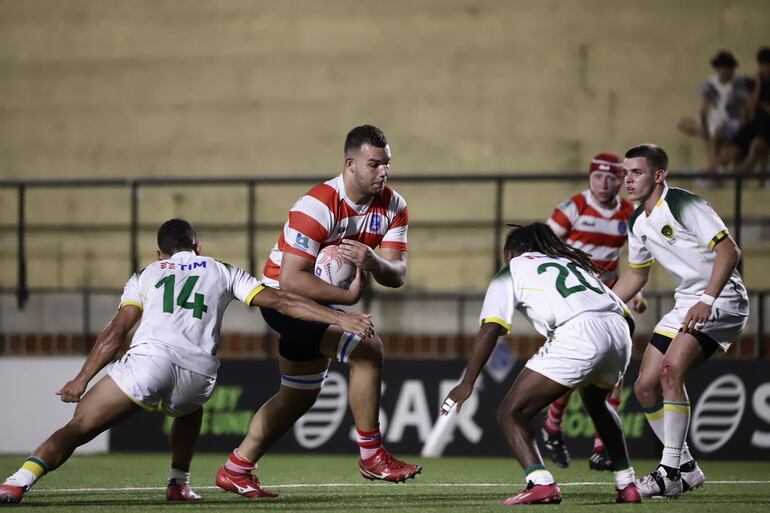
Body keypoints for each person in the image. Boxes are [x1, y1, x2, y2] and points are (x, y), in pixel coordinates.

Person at [0, 219, 374, 505]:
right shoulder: (221, 269)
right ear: (198, 246)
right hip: (198, 377)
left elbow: (118, 330)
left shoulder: (146, 274)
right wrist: (340, 317)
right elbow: (282, 301)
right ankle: (179, 482)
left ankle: (18, 481)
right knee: (187, 409)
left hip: (150, 364)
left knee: (80, 426)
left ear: (159, 254)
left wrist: (82, 379)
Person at [215, 125, 420, 499]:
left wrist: (374, 263)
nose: (383, 172)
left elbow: (398, 274)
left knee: (298, 396)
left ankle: (237, 468)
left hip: (319, 303)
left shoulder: (394, 206)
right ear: (350, 164)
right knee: (368, 350)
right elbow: (292, 280)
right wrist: (346, 301)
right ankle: (372, 456)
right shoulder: (318, 205)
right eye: (374, 164)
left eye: (387, 164)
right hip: (283, 301)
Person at [441, 223, 641, 505]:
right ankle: (627, 484)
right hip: (620, 330)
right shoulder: (573, 265)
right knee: (598, 403)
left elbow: (491, 328)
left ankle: (541, 483)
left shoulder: (511, 270)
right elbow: (627, 316)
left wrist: (467, 383)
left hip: (578, 333)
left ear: (509, 252)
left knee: (511, 412)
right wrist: (612, 355)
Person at [613, 144, 749, 498]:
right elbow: (636, 276)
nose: (627, 179)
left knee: (670, 371)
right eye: (626, 172)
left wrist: (707, 299)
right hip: (687, 302)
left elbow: (730, 251)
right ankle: (686, 467)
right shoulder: (637, 222)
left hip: (721, 300)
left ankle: (668, 471)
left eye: (637, 172)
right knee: (644, 387)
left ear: (659, 175)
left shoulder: (685, 204)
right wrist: (599, 305)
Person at [542, 153, 647, 472]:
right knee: (576, 367)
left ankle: (601, 447)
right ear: (589, 178)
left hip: (607, 298)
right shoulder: (573, 208)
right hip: (571, 299)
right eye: (598, 177)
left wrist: (636, 290)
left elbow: (635, 257)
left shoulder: (630, 213)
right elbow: (543, 247)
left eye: (611, 178)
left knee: (614, 365)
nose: (604, 184)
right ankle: (552, 426)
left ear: (620, 180)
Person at [677, 50, 753, 181]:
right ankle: (716, 169)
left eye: (730, 68)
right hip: (715, 119)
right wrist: (705, 128)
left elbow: (745, 107)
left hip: (732, 121)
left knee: (715, 132)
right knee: (683, 122)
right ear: (718, 69)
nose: (728, 71)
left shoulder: (740, 83)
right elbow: (703, 109)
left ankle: (713, 170)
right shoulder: (709, 84)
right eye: (725, 68)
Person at [738, 47, 770, 173]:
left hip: (767, 126)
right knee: (730, 149)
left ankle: (737, 179)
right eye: (763, 66)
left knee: (755, 147)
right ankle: (714, 175)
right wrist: (757, 85)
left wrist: (760, 105)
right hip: (756, 124)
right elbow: (749, 110)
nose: (765, 69)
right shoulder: (754, 83)